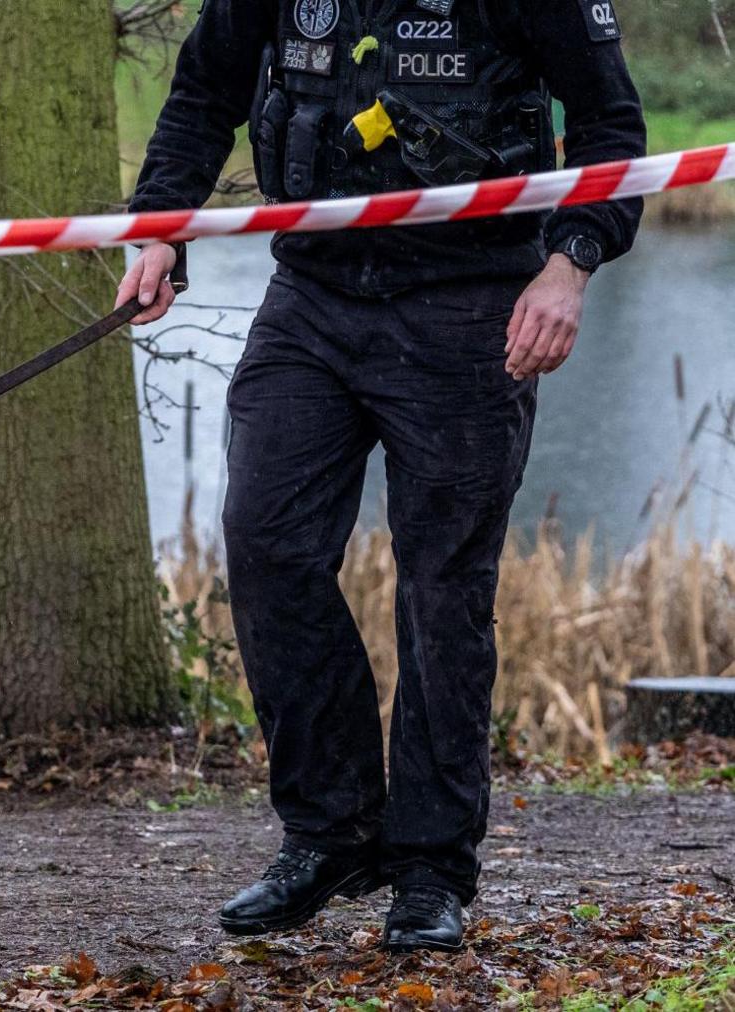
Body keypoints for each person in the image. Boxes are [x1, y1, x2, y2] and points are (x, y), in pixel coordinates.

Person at [116, 0, 645, 952]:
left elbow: (612, 127)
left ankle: (431, 868)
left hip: (472, 303)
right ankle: (332, 832)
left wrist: (569, 265)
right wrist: (161, 230)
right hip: (313, 299)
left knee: (443, 592)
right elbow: (204, 91)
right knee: (268, 545)